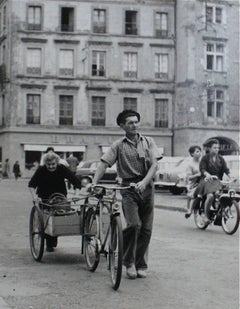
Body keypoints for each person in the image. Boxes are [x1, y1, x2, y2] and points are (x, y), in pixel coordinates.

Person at [91, 110, 161, 279]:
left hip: (147, 187)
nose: (134, 125)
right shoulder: (118, 145)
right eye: (130, 123)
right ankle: (128, 262)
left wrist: (144, 182)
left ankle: (141, 264)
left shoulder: (149, 141)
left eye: (136, 122)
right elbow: (103, 164)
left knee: (146, 229)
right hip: (128, 189)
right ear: (122, 126)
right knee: (134, 225)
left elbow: (154, 165)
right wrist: (94, 183)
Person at [28, 152, 82, 252]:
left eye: (53, 164)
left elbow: (76, 181)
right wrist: (35, 197)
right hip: (44, 197)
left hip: (60, 198)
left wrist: (76, 194)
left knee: (57, 219)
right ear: (45, 164)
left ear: (57, 162)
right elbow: (31, 185)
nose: (51, 167)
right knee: (46, 218)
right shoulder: (41, 170)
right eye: (48, 165)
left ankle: (52, 238)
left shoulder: (62, 168)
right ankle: (49, 241)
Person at [199, 139, 232, 223]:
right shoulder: (205, 158)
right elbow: (202, 169)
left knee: (226, 196)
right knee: (210, 196)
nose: (216, 149)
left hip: (217, 181)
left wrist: (230, 176)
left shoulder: (220, 158)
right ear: (209, 148)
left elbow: (225, 169)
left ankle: (222, 211)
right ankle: (206, 216)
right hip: (207, 180)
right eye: (214, 148)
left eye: (217, 148)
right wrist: (207, 174)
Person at [185, 145, 202, 219]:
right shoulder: (190, 164)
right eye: (197, 151)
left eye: (200, 151)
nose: (199, 153)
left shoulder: (202, 162)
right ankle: (190, 210)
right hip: (194, 184)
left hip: (203, 182)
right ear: (192, 154)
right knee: (197, 193)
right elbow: (189, 177)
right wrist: (197, 175)